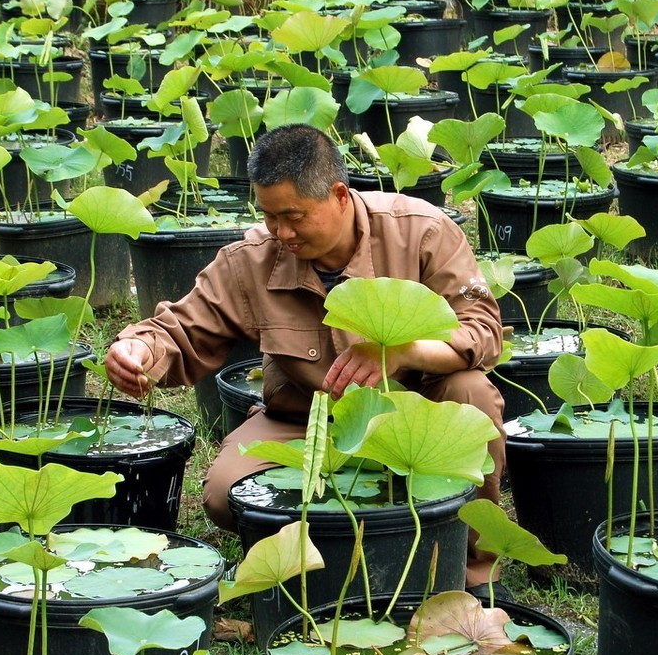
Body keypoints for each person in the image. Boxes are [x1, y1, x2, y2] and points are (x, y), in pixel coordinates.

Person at [105, 124, 507, 586]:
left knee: (472, 391)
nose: (282, 232)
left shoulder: (423, 232)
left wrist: (402, 351)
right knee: (222, 495)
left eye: (294, 216)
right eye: (270, 216)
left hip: (414, 412)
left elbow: (482, 332)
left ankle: (471, 574)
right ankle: (322, 563)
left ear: (339, 194)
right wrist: (137, 348)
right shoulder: (253, 258)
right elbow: (181, 327)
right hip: (307, 416)